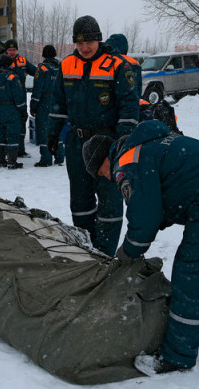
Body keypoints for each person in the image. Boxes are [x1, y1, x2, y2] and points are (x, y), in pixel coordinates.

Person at [82, 121, 199, 374]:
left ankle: (177, 356)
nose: (105, 177)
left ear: (103, 160)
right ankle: (180, 335)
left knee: (193, 273)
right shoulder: (141, 147)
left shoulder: (127, 163)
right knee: (192, 269)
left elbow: (144, 217)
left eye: (100, 172)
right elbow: (161, 198)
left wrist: (127, 253)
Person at [47, 15, 139, 256]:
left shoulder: (117, 65)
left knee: (109, 201)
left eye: (89, 42)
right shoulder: (66, 65)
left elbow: (129, 110)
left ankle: (105, 254)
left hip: (107, 143)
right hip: (77, 143)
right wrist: (53, 136)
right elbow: (58, 105)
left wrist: (121, 146)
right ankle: (87, 250)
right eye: (79, 43)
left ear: (98, 40)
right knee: (80, 202)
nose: (84, 48)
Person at [0, 39, 36, 158]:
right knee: (5, 128)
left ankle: (20, 150)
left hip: (21, 98)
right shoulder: (0, 62)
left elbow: (35, 72)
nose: (12, 52)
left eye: (14, 50)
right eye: (9, 50)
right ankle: (5, 152)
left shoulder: (22, 61)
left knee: (21, 125)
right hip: (7, 100)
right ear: (6, 51)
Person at [0, 53, 27, 169]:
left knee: (0, 133)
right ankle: (12, 161)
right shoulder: (12, 78)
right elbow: (18, 96)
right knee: (13, 134)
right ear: (9, 64)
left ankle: (0, 160)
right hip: (11, 109)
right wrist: (23, 110)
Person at [29, 45, 64, 167]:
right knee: (56, 129)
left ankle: (46, 158)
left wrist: (33, 105)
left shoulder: (42, 68)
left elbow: (38, 89)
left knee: (44, 130)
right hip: (58, 103)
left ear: (43, 55)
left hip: (45, 102)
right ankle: (59, 156)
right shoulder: (60, 68)